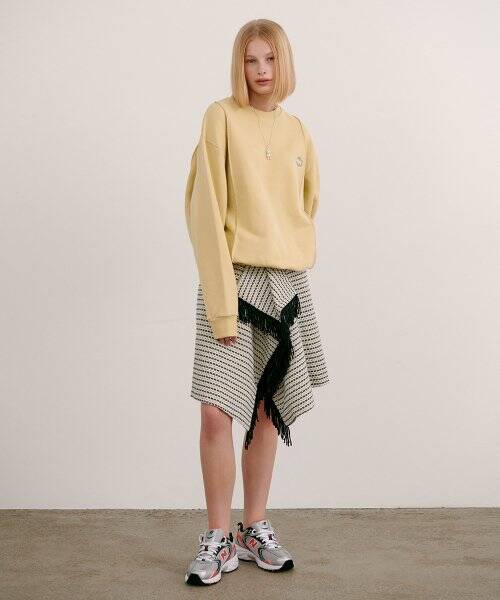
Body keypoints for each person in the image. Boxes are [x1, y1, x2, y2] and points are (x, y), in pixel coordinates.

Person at [183, 18, 331, 586]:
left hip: (286, 284)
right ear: (239, 65)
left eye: (270, 59)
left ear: (283, 63)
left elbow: (307, 206)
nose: (261, 70)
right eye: (251, 60)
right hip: (232, 279)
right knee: (216, 412)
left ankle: (254, 526)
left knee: (268, 411)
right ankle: (218, 535)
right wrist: (222, 301)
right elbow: (204, 211)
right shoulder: (220, 117)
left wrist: (290, 255)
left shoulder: (298, 131)